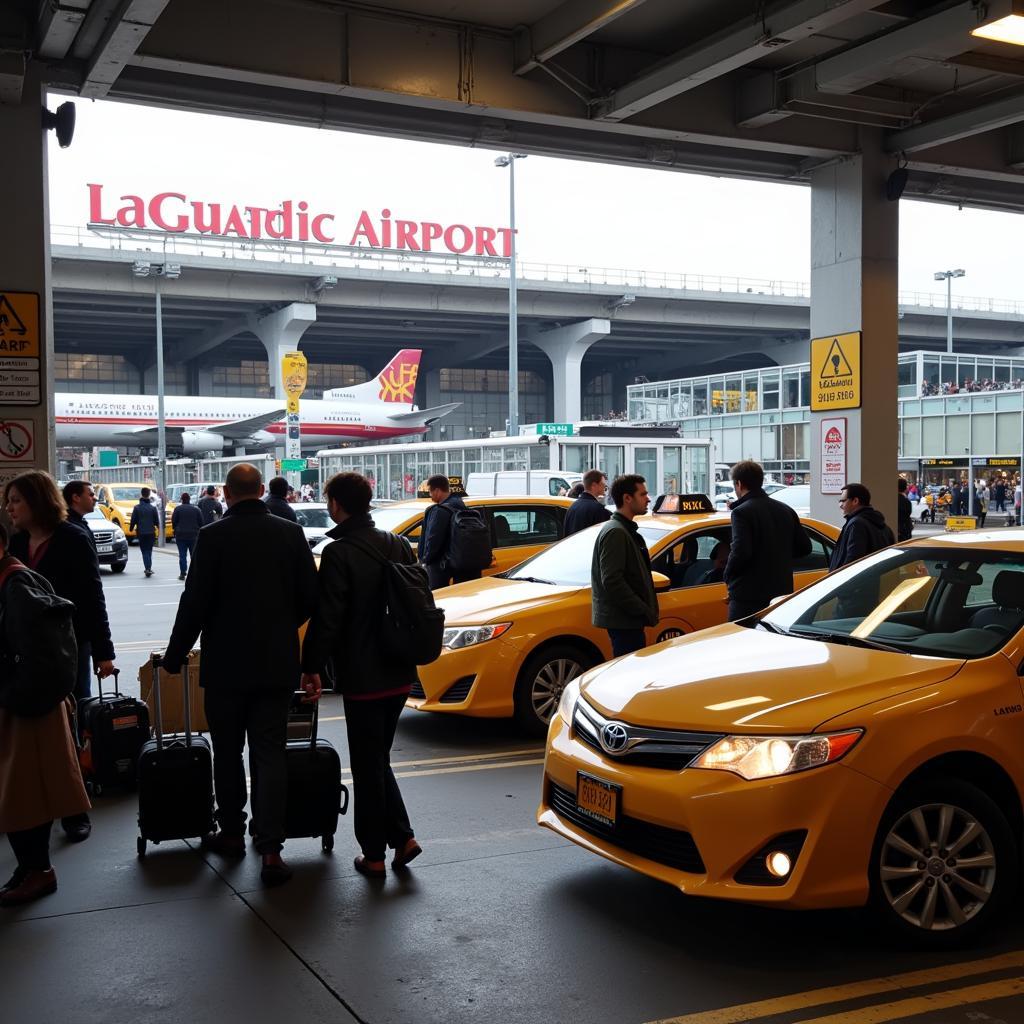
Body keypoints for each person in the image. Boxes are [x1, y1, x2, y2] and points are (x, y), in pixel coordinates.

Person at [162, 464, 317, 887]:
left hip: (226, 667)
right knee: (269, 755)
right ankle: (270, 850)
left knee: (227, 752)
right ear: (262, 490)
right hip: (275, 665)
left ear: (227, 494)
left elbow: (193, 604)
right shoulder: (290, 534)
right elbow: (309, 598)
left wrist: (175, 657)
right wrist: (281, 626)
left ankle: (231, 833)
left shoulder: (212, 538)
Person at [301, 472, 421, 879]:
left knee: (368, 765)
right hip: (401, 668)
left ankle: (373, 855)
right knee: (376, 758)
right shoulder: (398, 543)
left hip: (364, 675)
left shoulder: (339, 552)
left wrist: (310, 665)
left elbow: (328, 617)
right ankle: (403, 838)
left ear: (336, 504)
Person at [5, 470, 115, 843]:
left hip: (68, 648)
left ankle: (73, 810)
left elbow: (91, 597)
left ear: (37, 501)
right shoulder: (16, 542)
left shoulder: (73, 538)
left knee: (68, 728)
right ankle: (33, 808)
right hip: (21, 655)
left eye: (16, 500)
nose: (9, 508)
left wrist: (104, 652)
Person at [0, 520, 91, 907]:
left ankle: (38, 871)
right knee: (21, 792)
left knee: (23, 794)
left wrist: (15, 698)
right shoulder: (14, 582)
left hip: (24, 708)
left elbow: (33, 656)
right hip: (24, 703)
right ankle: (30, 868)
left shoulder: (16, 587)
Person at [724, 459, 811, 621]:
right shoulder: (785, 510)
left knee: (742, 641)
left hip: (747, 596)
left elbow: (741, 552)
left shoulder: (741, 513)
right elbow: (805, 548)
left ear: (739, 484)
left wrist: (727, 576)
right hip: (781, 593)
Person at [591, 474, 659, 657]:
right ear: (627, 498)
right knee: (629, 675)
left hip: (627, 621)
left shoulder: (622, 529)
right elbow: (612, 580)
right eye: (643, 494)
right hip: (625, 622)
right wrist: (641, 609)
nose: (648, 498)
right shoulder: (616, 532)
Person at [419, 475, 481, 590]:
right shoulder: (463, 507)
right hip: (463, 563)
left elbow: (433, 539)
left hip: (441, 568)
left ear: (437, 490)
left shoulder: (439, 511)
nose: (430, 495)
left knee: (438, 598)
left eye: (430, 491)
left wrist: (425, 560)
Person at [829, 483, 896, 570]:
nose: (840, 505)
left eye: (843, 501)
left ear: (855, 501)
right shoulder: (884, 526)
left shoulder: (856, 524)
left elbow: (853, 561)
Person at [563, 469, 611, 537]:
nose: (605, 487)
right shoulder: (598, 509)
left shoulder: (571, 507)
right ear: (594, 485)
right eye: (603, 484)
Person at [170, 492, 204, 580]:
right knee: (194, 555)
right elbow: (201, 522)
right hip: (193, 535)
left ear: (182, 499)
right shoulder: (196, 509)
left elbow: (174, 522)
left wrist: (176, 528)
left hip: (180, 535)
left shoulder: (177, 509)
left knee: (182, 555)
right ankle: (194, 572)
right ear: (189, 499)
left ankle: (183, 572)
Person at [130, 487, 161, 577]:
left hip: (141, 532)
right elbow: (156, 522)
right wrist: (158, 530)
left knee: (144, 551)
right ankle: (148, 568)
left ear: (141, 494)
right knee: (149, 550)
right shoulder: (152, 508)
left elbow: (133, 520)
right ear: (148, 495)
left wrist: (131, 529)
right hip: (151, 532)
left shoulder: (137, 508)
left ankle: (147, 568)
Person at [62, 480, 98, 546]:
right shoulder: (72, 530)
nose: (96, 498)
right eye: (91, 495)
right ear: (76, 498)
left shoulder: (76, 522)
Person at [897, 478, 914, 543]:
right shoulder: (907, 501)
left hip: (899, 529)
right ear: (905, 488)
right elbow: (908, 514)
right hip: (905, 529)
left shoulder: (893, 500)